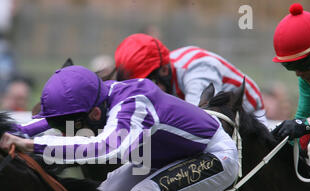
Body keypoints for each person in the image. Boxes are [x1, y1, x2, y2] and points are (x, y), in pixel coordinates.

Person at [0, 65, 239, 191]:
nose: (64, 132)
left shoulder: (133, 105)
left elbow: (104, 148)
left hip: (215, 157)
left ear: (93, 113)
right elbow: (37, 124)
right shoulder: (99, 98)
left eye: (69, 127)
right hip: (165, 159)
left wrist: (32, 145)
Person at [114, 33, 268, 126]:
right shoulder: (166, 69)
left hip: (252, 121)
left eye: (147, 85)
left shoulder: (198, 69)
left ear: (164, 70)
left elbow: (200, 123)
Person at [271, 3, 310, 150]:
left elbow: (307, 124)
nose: (298, 74)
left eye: (301, 66)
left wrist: (306, 125)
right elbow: (305, 117)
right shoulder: (308, 79)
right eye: (290, 67)